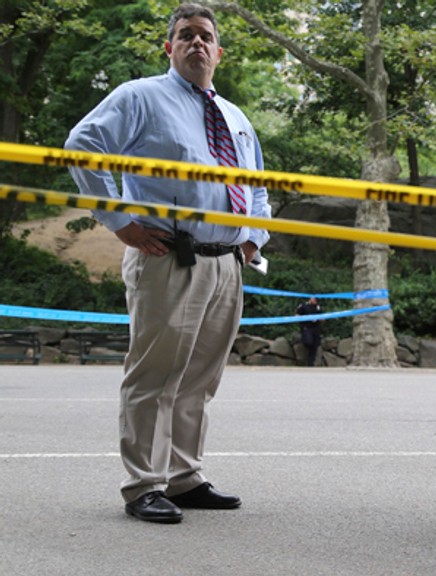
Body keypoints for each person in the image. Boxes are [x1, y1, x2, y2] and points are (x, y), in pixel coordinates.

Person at [65, 3, 271, 524]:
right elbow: (83, 145)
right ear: (169, 47)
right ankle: (144, 484)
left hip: (226, 264)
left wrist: (252, 240)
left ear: (219, 52)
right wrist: (119, 221)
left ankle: (184, 477)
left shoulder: (236, 117)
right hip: (167, 257)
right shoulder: (141, 97)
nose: (196, 42)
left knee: (200, 380)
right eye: (186, 35)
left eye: (205, 36)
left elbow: (257, 187)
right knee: (156, 375)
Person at [296, 296, 323, 366]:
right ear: (311, 298)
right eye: (315, 299)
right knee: (308, 341)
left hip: (316, 327)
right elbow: (297, 315)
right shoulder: (303, 306)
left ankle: (311, 363)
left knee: (315, 345)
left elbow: (322, 318)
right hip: (306, 327)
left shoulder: (318, 307)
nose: (316, 301)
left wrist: (320, 319)